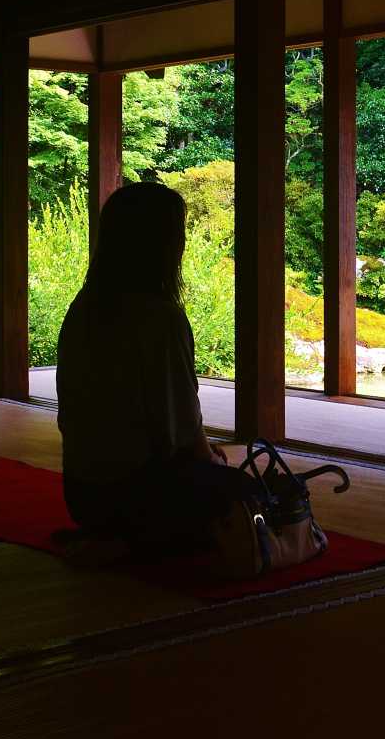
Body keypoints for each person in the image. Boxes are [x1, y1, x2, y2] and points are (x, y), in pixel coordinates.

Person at [56, 182, 265, 574]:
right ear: (165, 244)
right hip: (141, 498)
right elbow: (181, 424)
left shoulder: (84, 308)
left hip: (83, 494)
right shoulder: (159, 317)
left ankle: (119, 539)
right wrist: (211, 461)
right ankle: (136, 543)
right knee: (250, 496)